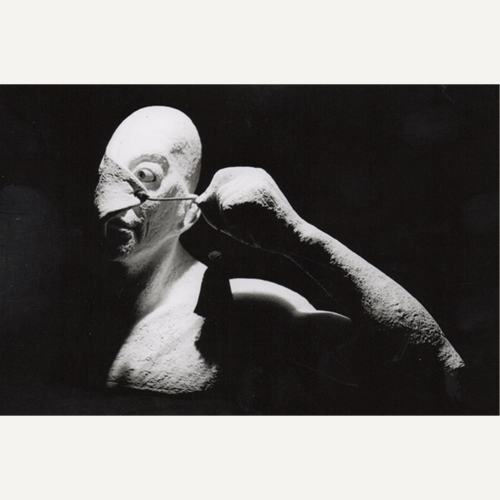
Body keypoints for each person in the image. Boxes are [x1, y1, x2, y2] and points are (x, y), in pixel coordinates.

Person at [93, 105, 464, 414]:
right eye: (102, 173)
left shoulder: (249, 311)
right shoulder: (73, 313)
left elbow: (442, 374)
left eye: (146, 174)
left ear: (188, 213)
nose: (108, 195)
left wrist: (299, 238)